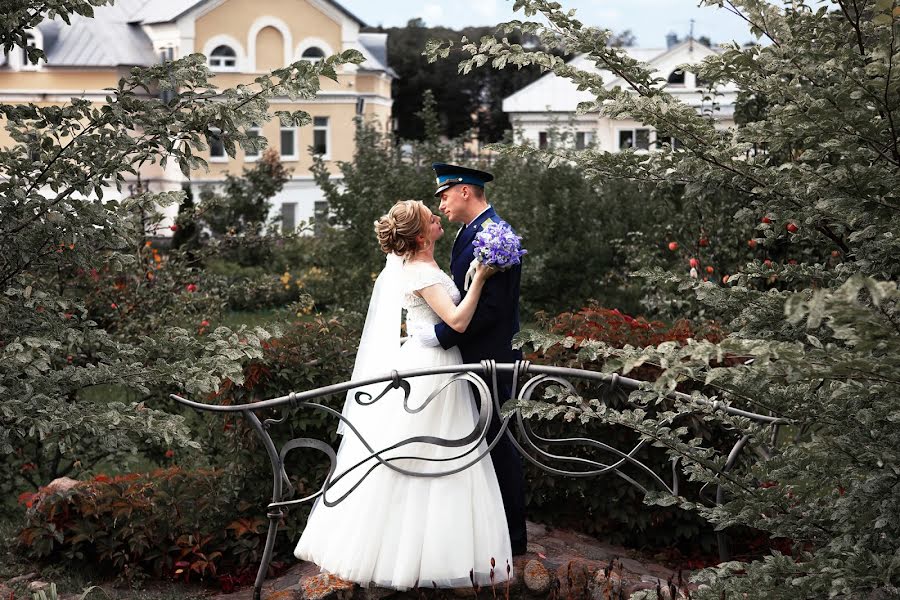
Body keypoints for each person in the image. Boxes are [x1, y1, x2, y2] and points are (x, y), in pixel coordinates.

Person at [294, 200, 513, 590]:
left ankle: (427, 549)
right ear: (418, 236)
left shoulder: (421, 266)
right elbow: (459, 321)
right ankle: (409, 554)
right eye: (430, 216)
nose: (436, 217)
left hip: (433, 362)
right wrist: (480, 277)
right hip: (430, 369)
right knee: (426, 454)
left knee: (428, 454)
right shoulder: (421, 272)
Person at [412, 163, 528, 556]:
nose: (441, 202)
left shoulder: (497, 235)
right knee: (478, 442)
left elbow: (492, 309)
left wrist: (442, 335)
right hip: (471, 358)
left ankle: (513, 538)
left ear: (465, 191)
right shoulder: (466, 233)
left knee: (499, 441)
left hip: (492, 358)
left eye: (444, 194)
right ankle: (486, 528)